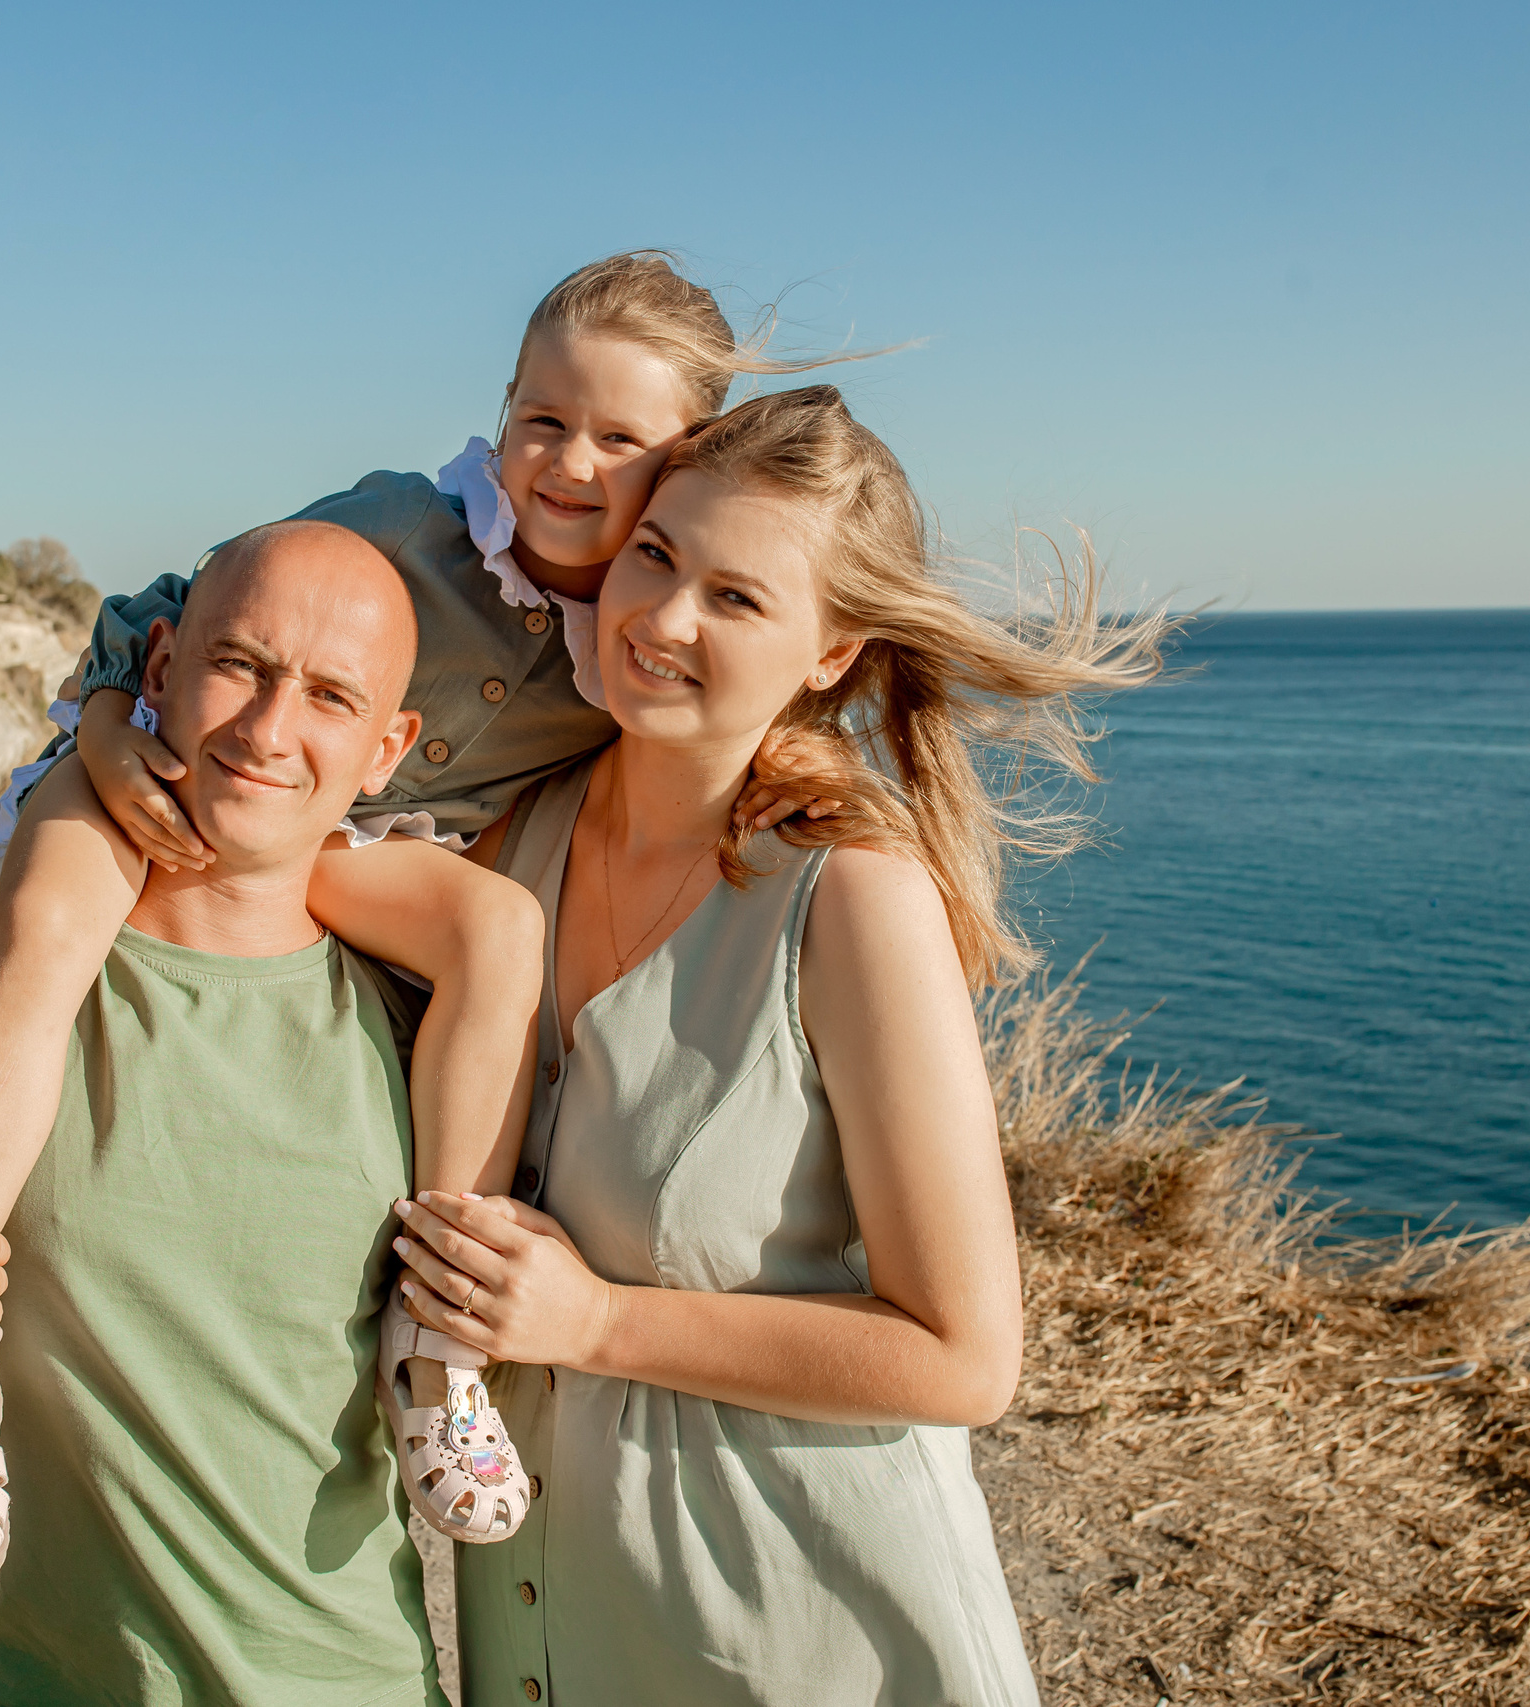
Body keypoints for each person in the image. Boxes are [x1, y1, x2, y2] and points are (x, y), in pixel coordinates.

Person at [0, 253, 863, 1559]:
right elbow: (189, 604)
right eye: (542, 419)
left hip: (338, 843)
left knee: (495, 931)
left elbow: (752, 691)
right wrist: (114, 729)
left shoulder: (629, 640)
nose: (568, 463)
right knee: (47, 926)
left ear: (681, 456)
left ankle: (437, 1342)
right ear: (503, 407)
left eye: (620, 439)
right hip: (182, 767)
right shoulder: (409, 525)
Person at [388, 386, 1170, 1704]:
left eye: (739, 598)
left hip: (811, 1636)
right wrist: (120, 733)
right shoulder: (508, 838)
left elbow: (964, 1357)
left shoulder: (853, 897)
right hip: (547, 1632)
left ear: (831, 648)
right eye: (657, 554)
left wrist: (596, 1320)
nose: (666, 617)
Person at [0, 521, 448, 1705]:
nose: (265, 729)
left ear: (386, 749)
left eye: (328, 695)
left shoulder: (423, 1034)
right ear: (157, 669)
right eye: (239, 666)